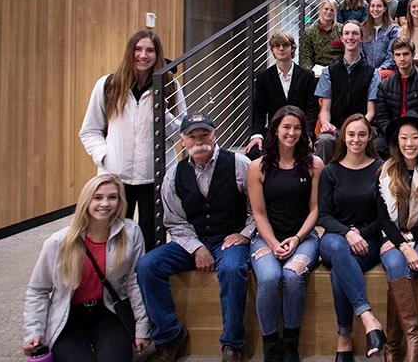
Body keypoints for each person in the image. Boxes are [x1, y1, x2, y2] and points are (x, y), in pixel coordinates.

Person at [136, 113, 254, 362]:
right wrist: (196, 247)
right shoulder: (173, 175)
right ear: (183, 140)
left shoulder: (239, 164)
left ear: (215, 134)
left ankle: (232, 344)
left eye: (205, 134)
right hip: (191, 240)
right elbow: (174, 221)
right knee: (147, 265)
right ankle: (168, 335)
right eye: (193, 136)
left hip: (230, 239)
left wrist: (244, 234)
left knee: (233, 269)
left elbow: (257, 209)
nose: (200, 141)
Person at [22, 174, 151, 361]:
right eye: (97, 197)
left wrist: (142, 328)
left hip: (107, 311)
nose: (105, 203)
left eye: (112, 197)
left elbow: (134, 282)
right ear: (86, 201)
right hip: (69, 317)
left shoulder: (131, 232)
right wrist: (34, 332)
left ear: (120, 201)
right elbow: (38, 290)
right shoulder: (58, 242)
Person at [79, 29, 186, 251]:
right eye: (138, 49)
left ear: (157, 55)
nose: (143, 55)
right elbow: (89, 131)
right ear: (130, 52)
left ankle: (145, 282)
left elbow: (182, 135)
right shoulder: (108, 85)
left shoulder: (169, 86)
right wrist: (105, 157)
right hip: (116, 178)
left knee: (151, 238)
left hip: (154, 176)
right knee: (114, 237)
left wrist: (164, 113)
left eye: (150, 50)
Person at [246, 106, 323, 362]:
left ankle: (291, 344)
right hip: (267, 237)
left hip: (304, 238)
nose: (291, 133)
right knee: (269, 278)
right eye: (286, 127)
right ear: (276, 130)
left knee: (291, 276)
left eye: (297, 128)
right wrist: (273, 242)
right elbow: (259, 214)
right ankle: (271, 346)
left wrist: (297, 238)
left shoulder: (314, 164)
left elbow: (315, 209)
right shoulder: (257, 167)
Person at [317, 115, 388, 361]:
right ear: (343, 137)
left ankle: (344, 338)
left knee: (340, 271)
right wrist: (348, 233)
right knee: (339, 249)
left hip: (368, 239)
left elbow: (383, 217)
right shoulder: (330, 171)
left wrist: (361, 234)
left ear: (369, 137)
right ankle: (368, 319)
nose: (356, 139)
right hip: (335, 237)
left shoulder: (380, 168)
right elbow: (324, 216)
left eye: (361, 134)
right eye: (351, 134)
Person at [376, 112, 418, 362]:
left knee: (397, 272)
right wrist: (404, 246)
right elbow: (383, 219)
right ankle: (414, 341)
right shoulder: (386, 171)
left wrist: (412, 237)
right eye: (404, 137)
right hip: (393, 238)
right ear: (396, 141)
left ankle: (393, 346)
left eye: (415, 137)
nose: (409, 143)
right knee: (398, 264)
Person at [246, 31, 319, 159]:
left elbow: (311, 109)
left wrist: (307, 133)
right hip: (274, 130)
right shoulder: (263, 77)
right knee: (254, 152)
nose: (281, 48)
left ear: (292, 48)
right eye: (276, 45)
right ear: (272, 50)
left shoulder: (307, 76)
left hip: (299, 130)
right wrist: (257, 135)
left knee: (306, 154)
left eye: (285, 45)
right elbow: (259, 110)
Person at [315, 22, 381, 163]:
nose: (350, 37)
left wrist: (356, 129)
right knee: (324, 140)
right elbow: (325, 109)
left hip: (363, 127)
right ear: (342, 38)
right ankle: (323, 182)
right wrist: (326, 124)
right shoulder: (329, 72)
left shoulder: (373, 73)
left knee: (373, 140)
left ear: (361, 38)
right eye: (347, 33)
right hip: (336, 129)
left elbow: (371, 112)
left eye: (355, 33)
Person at [374, 40, 418, 154]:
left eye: (406, 54)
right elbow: (382, 117)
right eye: (398, 55)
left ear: (413, 55)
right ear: (393, 57)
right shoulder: (385, 85)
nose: (402, 58)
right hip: (392, 133)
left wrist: (412, 134)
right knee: (376, 147)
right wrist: (395, 134)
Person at [300, 0, 344, 72]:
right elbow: (306, 57)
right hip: (317, 73)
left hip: (338, 72)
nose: (329, 12)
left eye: (332, 10)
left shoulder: (342, 30)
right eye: (326, 9)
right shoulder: (310, 32)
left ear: (335, 13)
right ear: (320, 10)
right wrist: (310, 73)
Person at [360, 0, 400, 74]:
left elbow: (392, 55)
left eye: (379, 6)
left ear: (384, 9)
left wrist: (380, 70)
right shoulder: (362, 28)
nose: (375, 9)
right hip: (366, 71)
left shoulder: (393, 29)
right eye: (372, 6)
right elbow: (361, 54)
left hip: (386, 71)